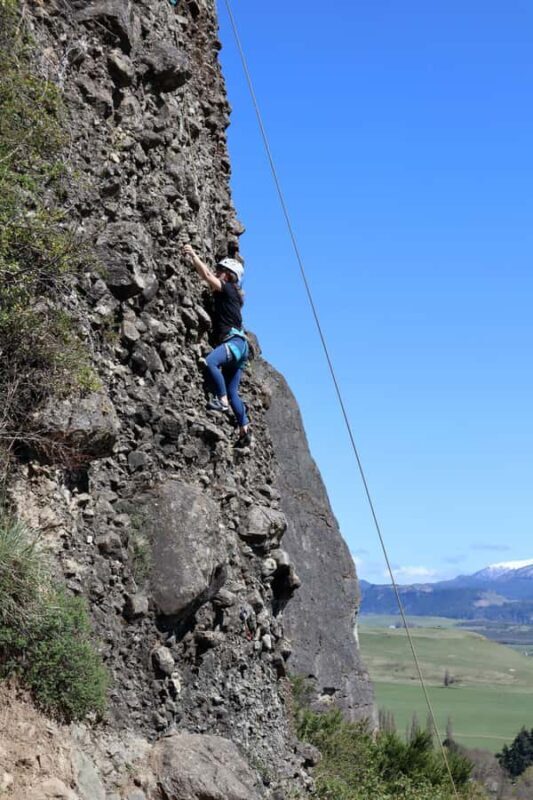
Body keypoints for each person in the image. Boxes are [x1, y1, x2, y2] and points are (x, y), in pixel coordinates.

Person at [182, 244, 252, 447]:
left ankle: (221, 402)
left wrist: (193, 255)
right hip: (241, 347)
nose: (216, 272)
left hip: (234, 342)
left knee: (211, 361)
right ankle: (244, 427)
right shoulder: (234, 296)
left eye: (220, 271)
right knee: (233, 392)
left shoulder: (227, 289)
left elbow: (206, 276)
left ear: (228, 275)